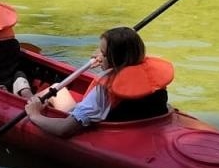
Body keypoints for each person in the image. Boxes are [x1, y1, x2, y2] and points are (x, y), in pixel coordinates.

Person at [23, 27, 174, 137]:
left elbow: (64, 130)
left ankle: (28, 101)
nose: (98, 56)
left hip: (111, 132)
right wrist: (105, 60)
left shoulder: (103, 91)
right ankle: (28, 96)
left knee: (56, 89)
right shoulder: (152, 77)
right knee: (58, 88)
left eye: (102, 52)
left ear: (114, 59)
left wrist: (35, 115)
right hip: (147, 125)